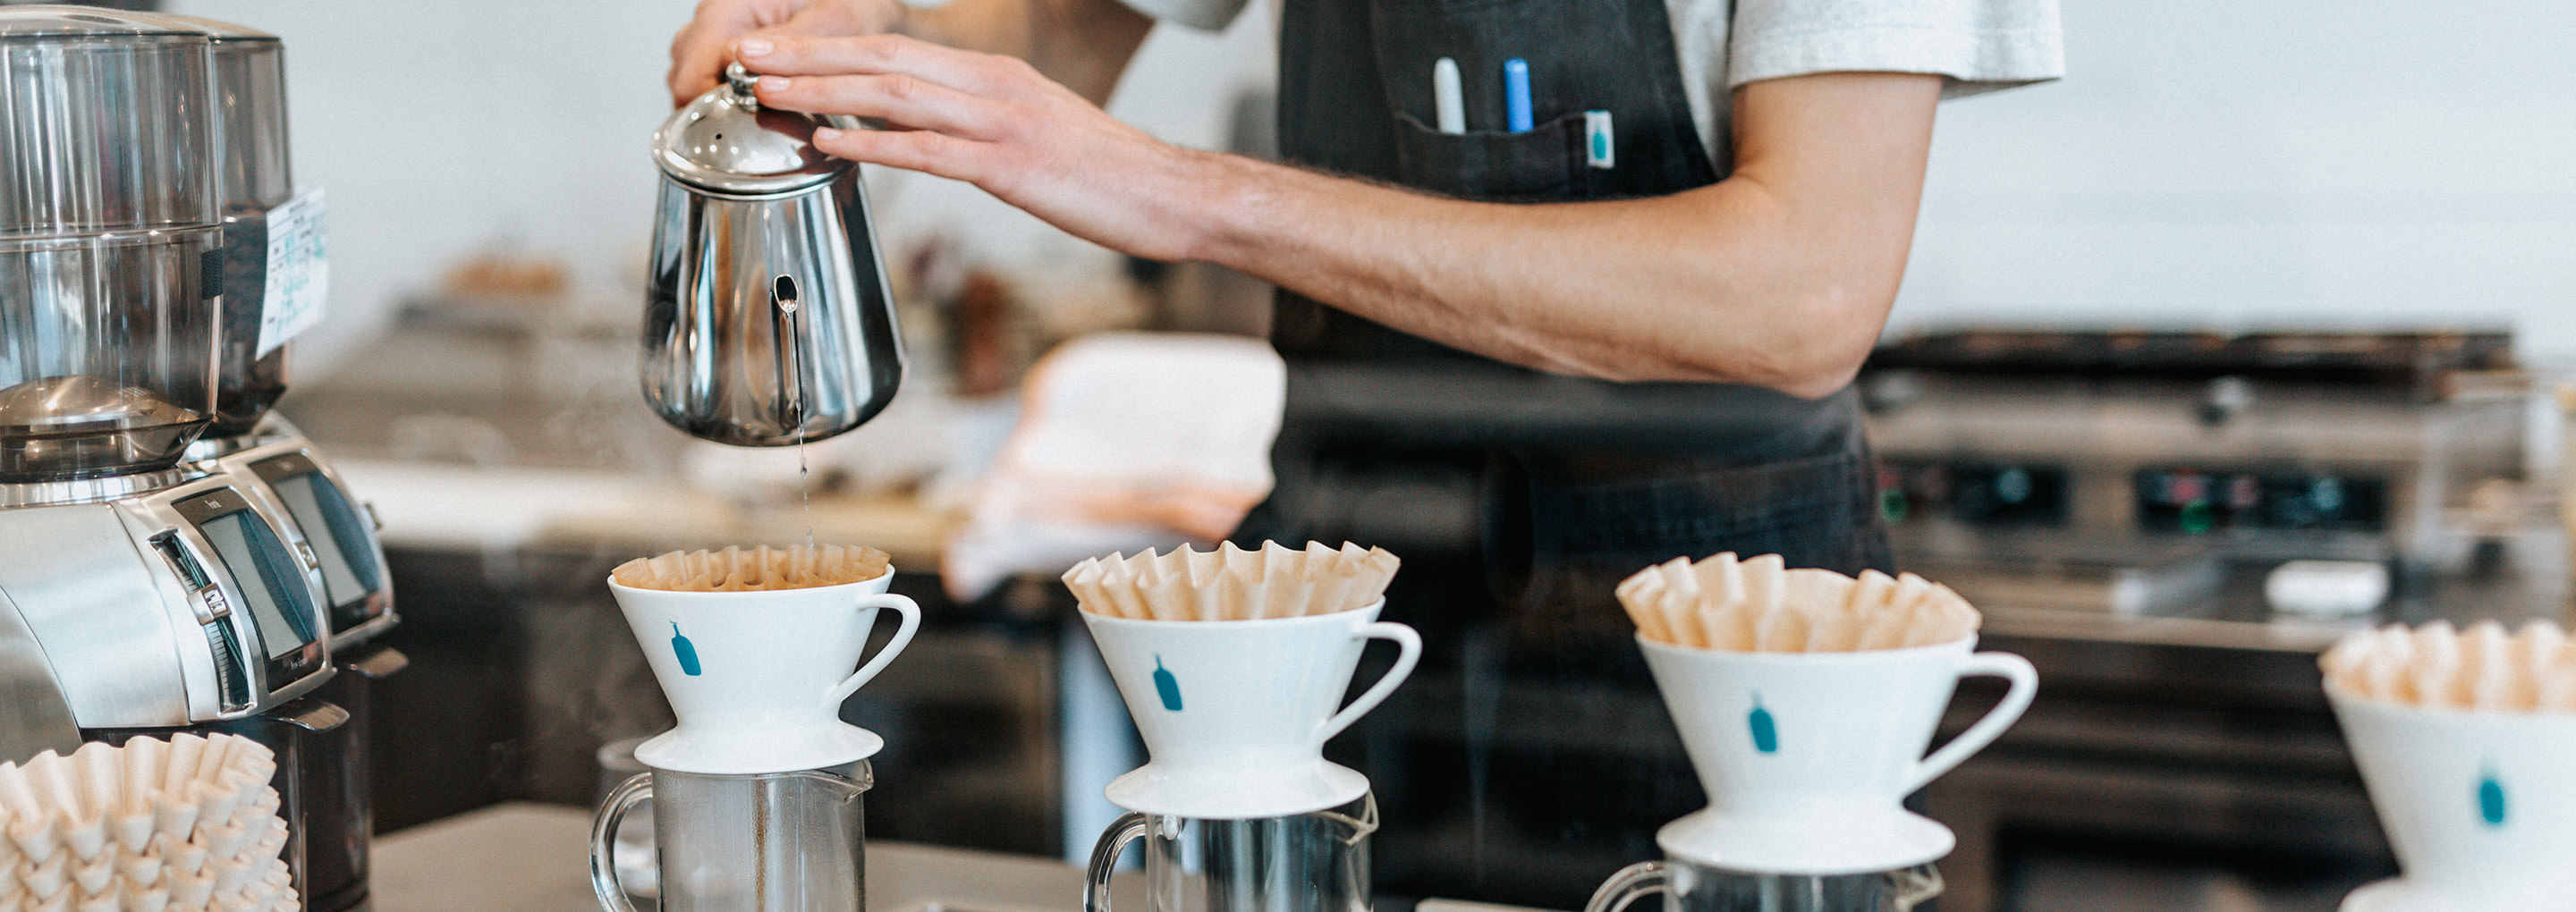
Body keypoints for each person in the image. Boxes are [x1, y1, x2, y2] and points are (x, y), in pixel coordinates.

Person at [672, 0, 2060, 900]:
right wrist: (843, 46)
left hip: (1710, 615)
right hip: (1347, 588)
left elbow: (1801, 296)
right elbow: (1050, 35)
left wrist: (1184, 197)